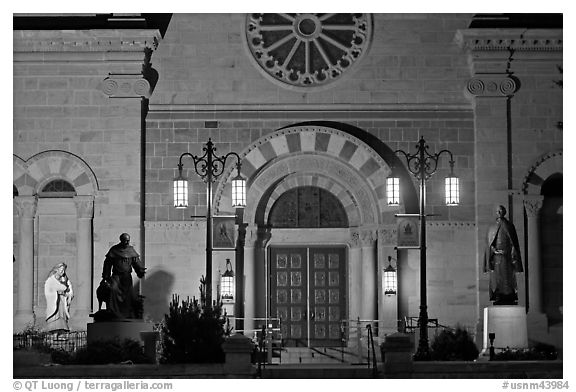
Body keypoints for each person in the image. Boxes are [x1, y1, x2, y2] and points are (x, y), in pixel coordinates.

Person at [483, 205, 523, 305]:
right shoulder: (492, 227)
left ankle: (509, 295)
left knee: (508, 277)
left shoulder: (510, 226)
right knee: (497, 277)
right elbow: (489, 244)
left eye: (501, 210)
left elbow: (514, 243)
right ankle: (498, 295)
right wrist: (495, 250)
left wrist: (513, 253)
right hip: (497, 257)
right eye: (498, 210)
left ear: (504, 212)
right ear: (496, 212)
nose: (500, 212)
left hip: (508, 257)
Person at [101, 233, 146, 319]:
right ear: (121, 240)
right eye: (125, 241)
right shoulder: (114, 250)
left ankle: (127, 312)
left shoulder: (131, 250)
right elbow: (107, 263)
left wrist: (140, 270)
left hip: (126, 277)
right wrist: (106, 275)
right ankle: (113, 312)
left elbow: (136, 261)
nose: (127, 242)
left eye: (128, 241)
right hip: (116, 276)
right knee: (113, 289)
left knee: (128, 294)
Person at [44, 262, 73, 332]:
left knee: (62, 316)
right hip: (54, 302)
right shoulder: (50, 280)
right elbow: (48, 291)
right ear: (57, 270)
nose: (63, 272)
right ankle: (54, 332)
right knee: (55, 317)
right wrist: (56, 292)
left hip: (62, 302)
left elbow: (69, 290)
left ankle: (61, 332)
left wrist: (67, 294)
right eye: (61, 270)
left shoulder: (65, 280)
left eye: (64, 270)